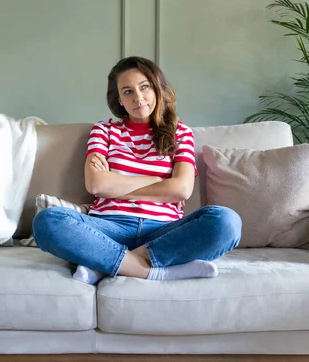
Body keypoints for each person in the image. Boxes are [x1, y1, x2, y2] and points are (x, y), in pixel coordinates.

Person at [32, 56, 242, 285]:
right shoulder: (104, 130)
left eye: (144, 87)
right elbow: (96, 185)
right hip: (107, 228)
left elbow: (181, 189)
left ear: (157, 89)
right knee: (47, 220)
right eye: (128, 91)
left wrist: (116, 185)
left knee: (226, 221)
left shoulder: (180, 133)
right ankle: (149, 269)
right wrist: (156, 180)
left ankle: (106, 263)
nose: (138, 98)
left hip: (163, 231)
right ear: (119, 100)